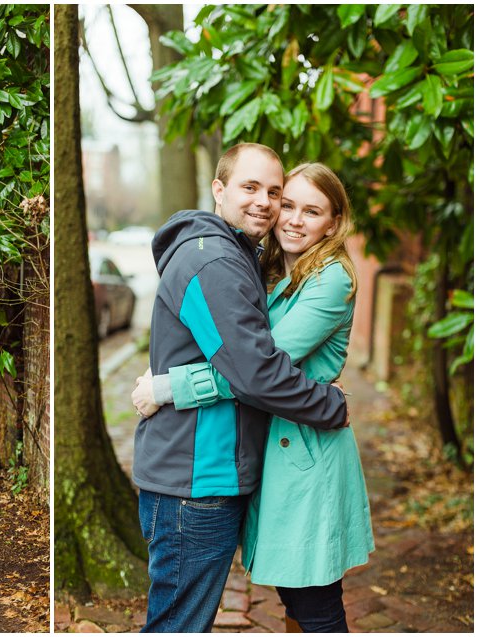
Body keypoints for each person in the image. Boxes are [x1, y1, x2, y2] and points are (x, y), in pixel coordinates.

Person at [134, 163, 374, 632]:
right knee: (296, 601)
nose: (293, 219)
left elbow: (256, 368)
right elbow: (237, 352)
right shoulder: (269, 270)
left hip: (306, 459)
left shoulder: (330, 280)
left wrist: (170, 386)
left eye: (312, 211)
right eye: (288, 205)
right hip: (272, 453)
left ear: (333, 222)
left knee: (315, 606)